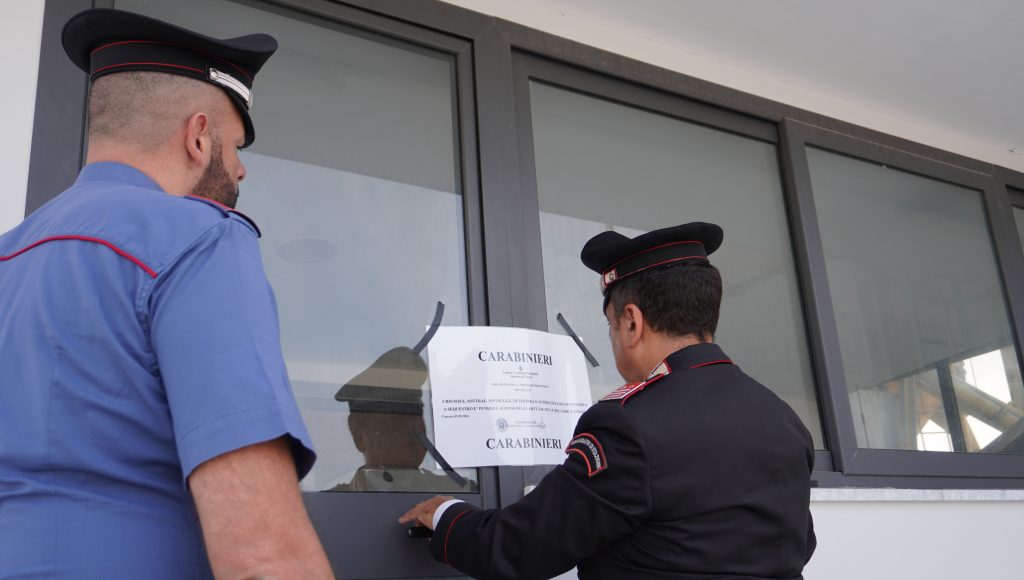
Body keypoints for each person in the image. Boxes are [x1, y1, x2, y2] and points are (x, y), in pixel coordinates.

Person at [0, 8, 333, 579]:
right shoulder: (200, 239)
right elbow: (262, 554)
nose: (241, 171)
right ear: (198, 136)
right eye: (237, 147)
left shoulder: (9, 255)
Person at [400, 222, 816, 579]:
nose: (614, 338)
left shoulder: (629, 426)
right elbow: (797, 542)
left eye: (611, 325)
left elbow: (524, 545)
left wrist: (447, 515)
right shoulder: (783, 419)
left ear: (632, 322)